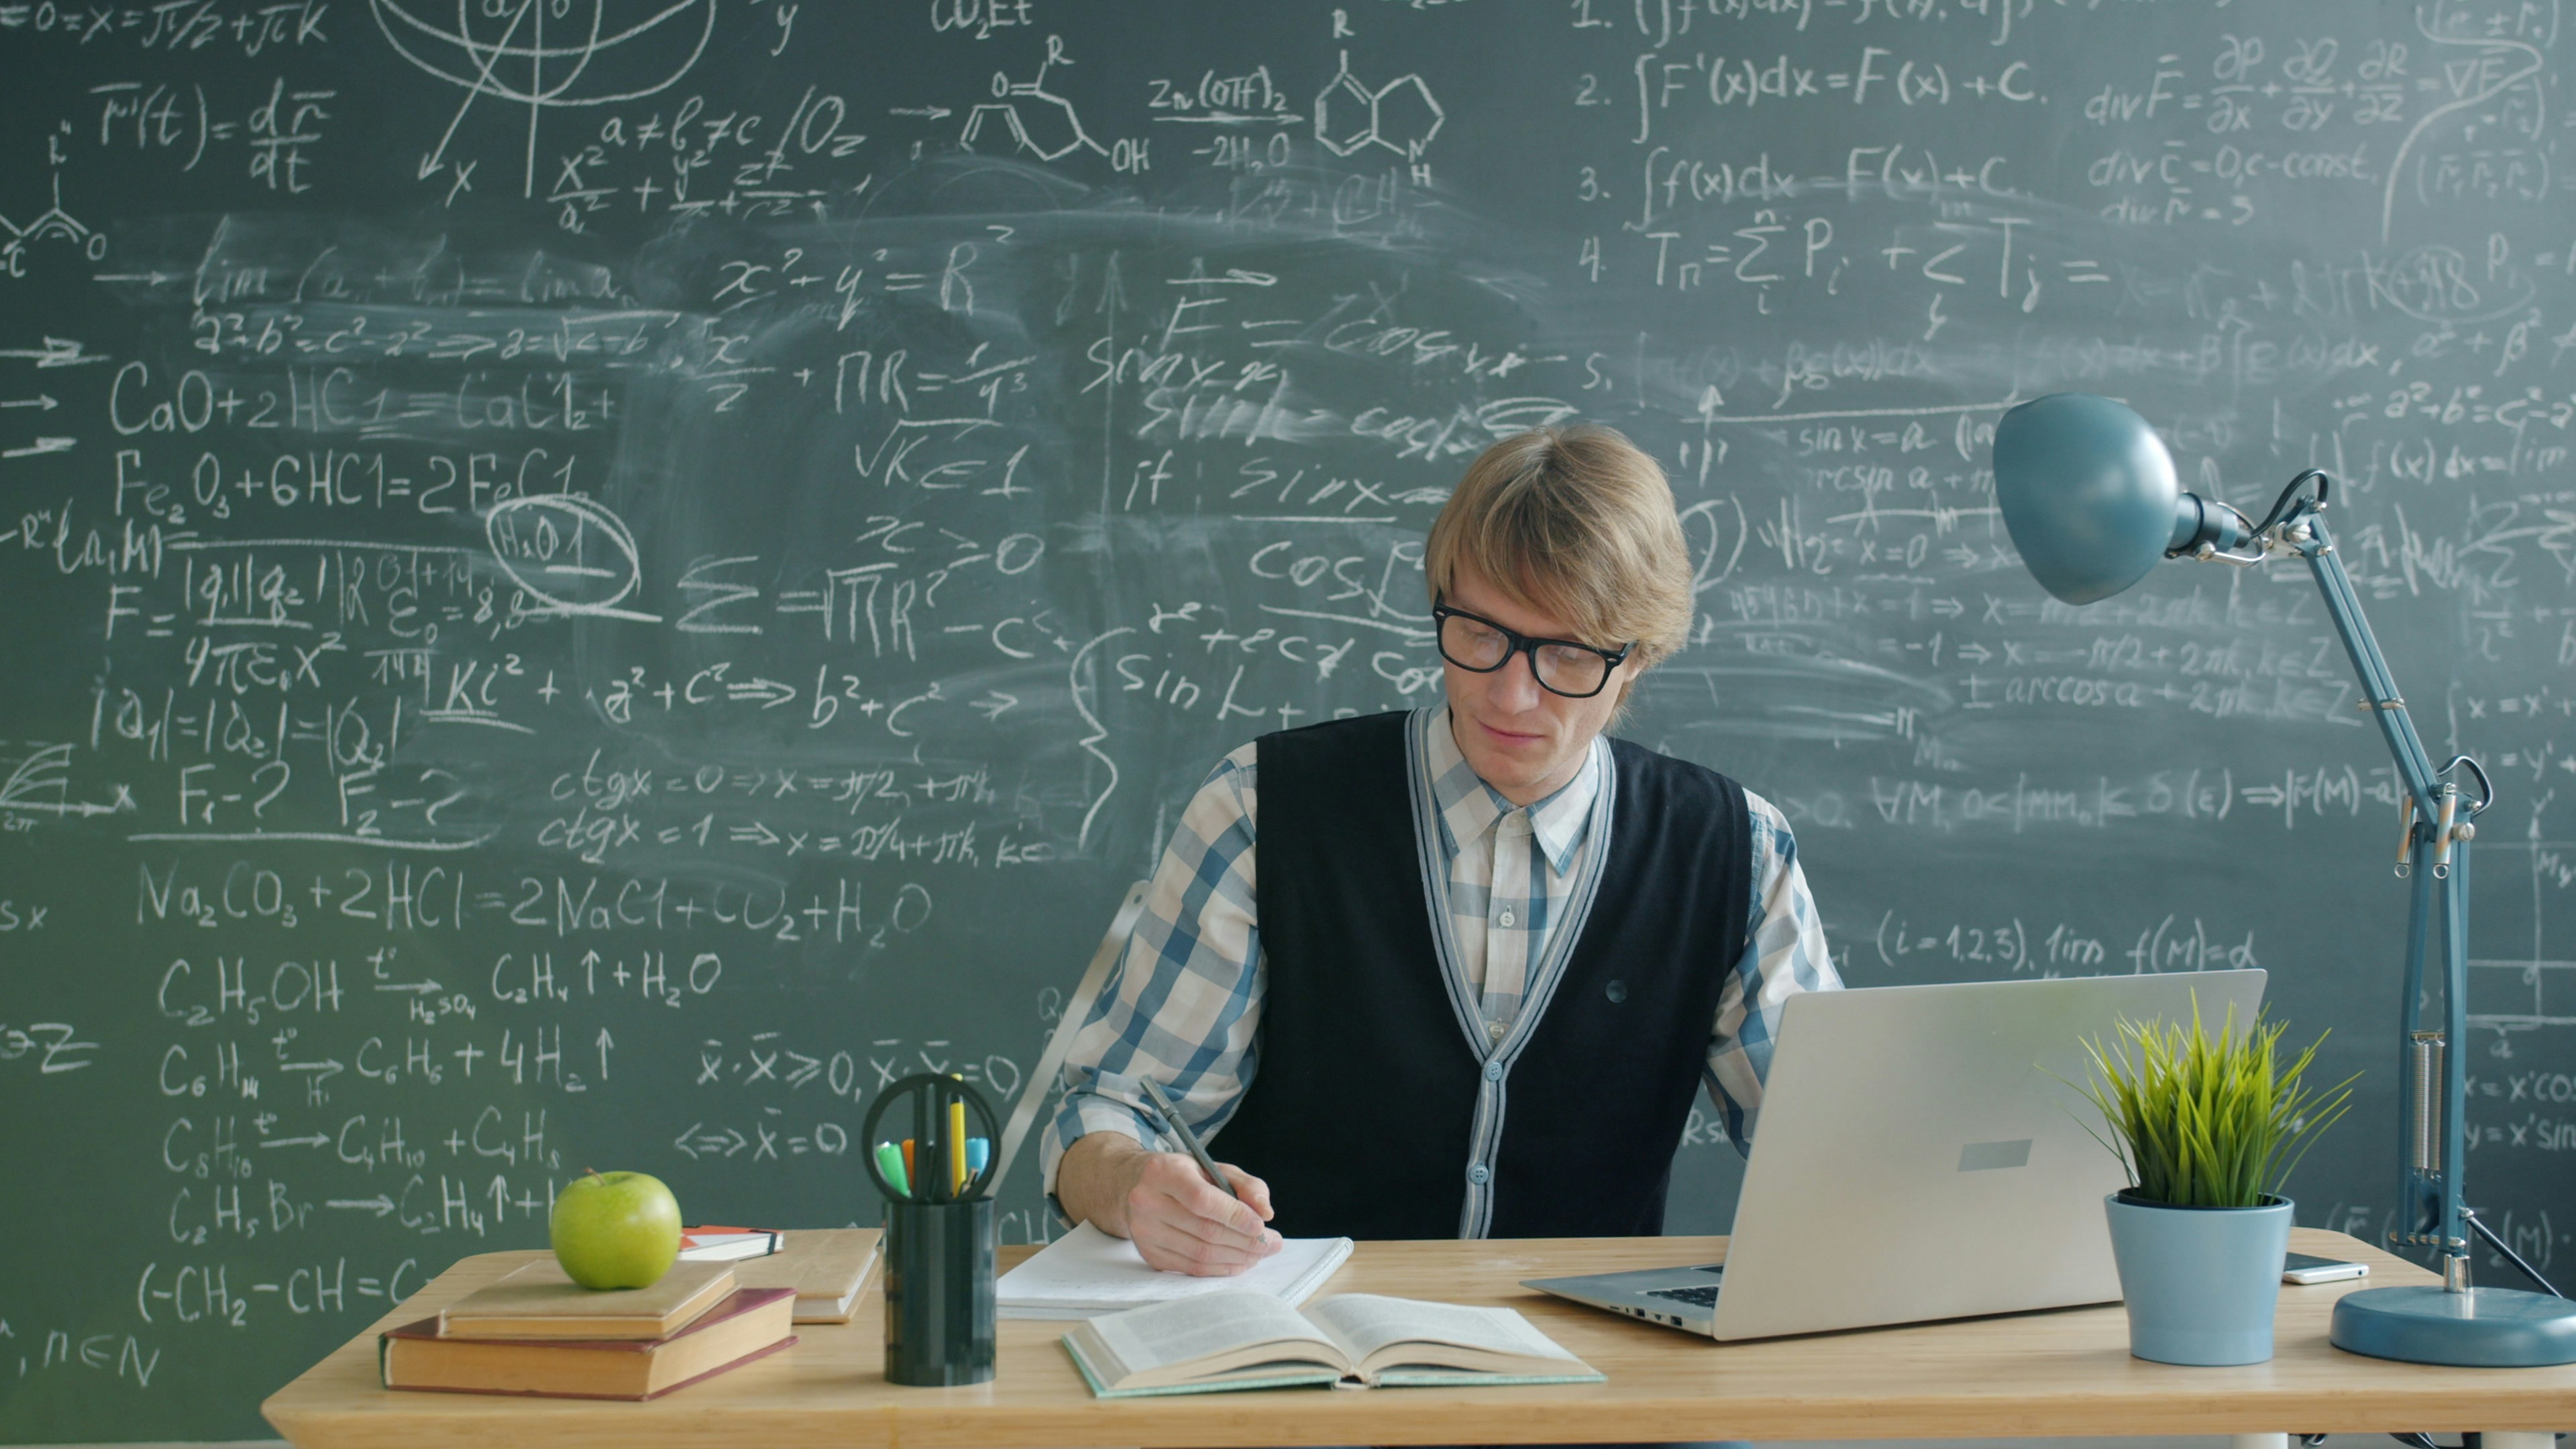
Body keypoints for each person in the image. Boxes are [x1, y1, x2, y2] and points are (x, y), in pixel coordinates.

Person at [1042, 425, 1840, 1275]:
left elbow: (1833, 1150)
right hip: (1293, 1361)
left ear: (1637, 658)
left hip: (1595, 1380)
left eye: (1567, 652)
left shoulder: (1735, 854)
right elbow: (1105, 1113)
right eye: (1480, 632)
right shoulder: (1262, 810)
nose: (1511, 690)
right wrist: (1133, 1184)